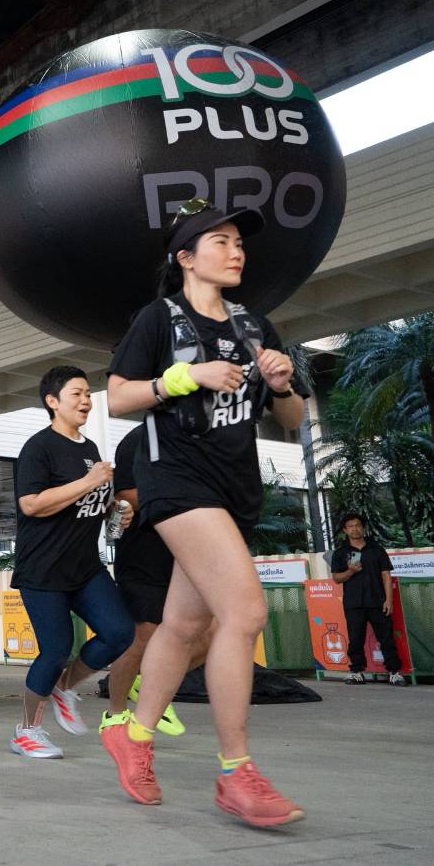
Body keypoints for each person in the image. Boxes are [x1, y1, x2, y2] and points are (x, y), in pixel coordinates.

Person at [104, 200, 306, 828]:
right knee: (243, 613)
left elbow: (293, 419)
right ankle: (236, 771)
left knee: (184, 625)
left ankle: (133, 735)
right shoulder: (158, 319)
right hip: (176, 480)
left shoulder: (255, 326)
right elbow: (117, 397)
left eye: (239, 242)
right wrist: (184, 378)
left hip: (235, 487)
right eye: (220, 241)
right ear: (186, 257)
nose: (236, 250)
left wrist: (281, 382)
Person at [9, 367, 134, 760]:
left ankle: (65, 687)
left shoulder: (88, 447)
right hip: (43, 569)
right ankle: (26, 732)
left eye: (88, 394)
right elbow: (31, 504)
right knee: (55, 650)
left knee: (119, 632)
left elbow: (88, 502)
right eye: (76, 394)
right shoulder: (39, 448)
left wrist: (115, 508)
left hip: (84, 567)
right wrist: (89, 482)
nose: (86, 401)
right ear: (52, 401)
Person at [102, 425, 201, 733]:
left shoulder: (194, 439)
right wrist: (178, 496)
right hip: (143, 555)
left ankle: (150, 679)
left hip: (185, 554)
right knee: (142, 637)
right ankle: (115, 713)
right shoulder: (138, 440)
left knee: (210, 632)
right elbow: (125, 495)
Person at [330, 514, 406, 685]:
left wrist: (389, 600)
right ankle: (356, 672)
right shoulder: (341, 552)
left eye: (357, 525)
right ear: (345, 530)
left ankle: (394, 672)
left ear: (363, 528)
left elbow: (386, 576)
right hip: (354, 603)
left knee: (386, 638)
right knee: (355, 639)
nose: (354, 529)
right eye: (350, 526)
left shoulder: (377, 549)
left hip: (378, 602)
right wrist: (350, 571)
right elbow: (336, 578)